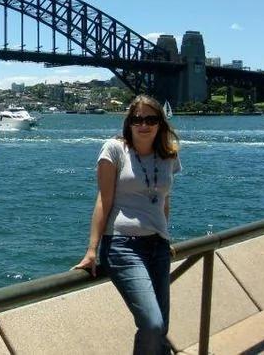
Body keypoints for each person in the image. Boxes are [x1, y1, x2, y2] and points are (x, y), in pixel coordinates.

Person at [74, 95, 181, 355]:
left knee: (160, 329)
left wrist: (164, 235)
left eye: (151, 119)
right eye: (137, 119)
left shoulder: (168, 155)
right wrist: (92, 250)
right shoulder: (114, 149)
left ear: (160, 123)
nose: (144, 125)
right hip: (123, 247)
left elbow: (164, 200)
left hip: (158, 246)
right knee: (152, 324)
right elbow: (104, 200)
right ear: (129, 122)